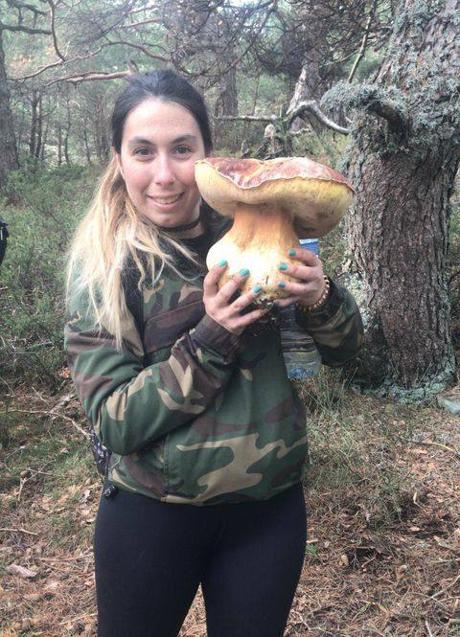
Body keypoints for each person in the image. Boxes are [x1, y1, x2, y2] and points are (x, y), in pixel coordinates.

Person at [64, 69, 363, 637]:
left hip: (267, 514)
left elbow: (352, 354)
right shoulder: (104, 270)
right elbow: (115, 421)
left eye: (182, 149)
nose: (165, 175)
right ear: (118, 159)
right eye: (143, 152)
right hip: (151, 518)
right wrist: (213, 335)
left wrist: (321, 297)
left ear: (206, 152)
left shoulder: (260, 227)